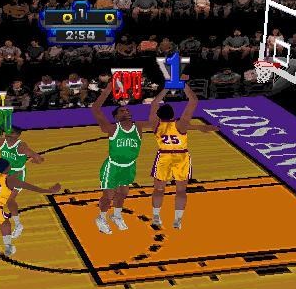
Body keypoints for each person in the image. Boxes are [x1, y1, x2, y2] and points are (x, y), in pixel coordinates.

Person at [149, 75, 218, 229]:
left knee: (158, 189)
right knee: (181, 190)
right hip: (181, 157)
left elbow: (154, 104)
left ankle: (156, 217)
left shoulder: (154, 124)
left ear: (158, 115)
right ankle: (177, 220)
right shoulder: (181, 124)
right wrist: (182, 83)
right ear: (173, 114)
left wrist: (167, 87)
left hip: (164, 156)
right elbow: (193, 101)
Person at [90, 82, 155, 234]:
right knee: (109, 195)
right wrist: (107, 90)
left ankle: (116, 215)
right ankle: (101, 218)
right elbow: (95, 109)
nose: (126, 111)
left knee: (123, 193)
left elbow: (156, 122)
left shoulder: (138, 127)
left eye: (127, 110)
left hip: (130, 166)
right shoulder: (112, 128)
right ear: (116, 117)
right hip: (113, 166)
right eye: (122, 110)